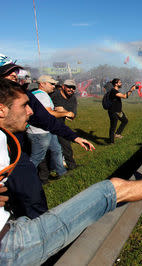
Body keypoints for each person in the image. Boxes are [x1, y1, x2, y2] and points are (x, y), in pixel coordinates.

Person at [0, 78, 142, 265]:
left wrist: (74, 137)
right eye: (24, 105)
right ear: (1, 110)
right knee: (114, 187)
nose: (31, 111)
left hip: (13, 227)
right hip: (12, 246)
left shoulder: (7, 137)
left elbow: (47, 121)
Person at [0, 54, 94, 219]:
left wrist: (74, 137)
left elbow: (47, 120)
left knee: (31, 195)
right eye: (9, 72)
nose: (15, 75)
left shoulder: (25, 95)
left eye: (15, 71)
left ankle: (39, 231)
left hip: (17, 157)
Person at [26, 75, 73, 178]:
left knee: (56, 149)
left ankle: (61, 172)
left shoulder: (38, 94)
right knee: (37, 157)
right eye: (51, 84)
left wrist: (56, 110)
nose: (54, 86)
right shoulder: (42, 95)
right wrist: (66, 113)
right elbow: (48, 113)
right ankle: (23, 178)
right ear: (42, 84)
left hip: (47, 130)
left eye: (54, 84)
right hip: (39, 132)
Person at [51, 79, 78, 170]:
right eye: (69, 87)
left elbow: (72, 115)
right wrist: (66, 113)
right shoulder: (54, 95)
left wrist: (63, 111)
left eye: (73, 88)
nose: (71, 89)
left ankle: (72, 166)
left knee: (66, 145)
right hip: (48, 124)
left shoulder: (73, 97)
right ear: (63, 86)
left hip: (60, 124)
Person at [108, 78, 136, 144]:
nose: (121, 83)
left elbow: (124, 96)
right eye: (120, 82)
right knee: (113, 126)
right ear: (116, 84)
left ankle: (117, 134)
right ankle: (111, 142)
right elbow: (124, 96)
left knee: (125, 121)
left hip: (119, 111)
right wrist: (131, 90)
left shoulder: (116, 91)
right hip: (113, 112)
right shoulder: (113, 91)